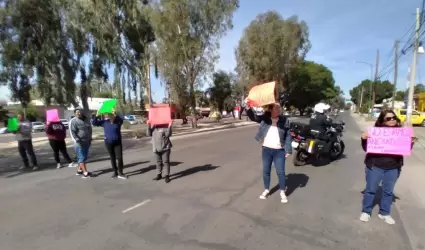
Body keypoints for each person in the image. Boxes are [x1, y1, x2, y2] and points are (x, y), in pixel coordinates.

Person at [359, 109, 415, 225]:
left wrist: (411, 138)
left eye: (394, 118)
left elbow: (407, 149)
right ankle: (366, 211)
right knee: (370, 190)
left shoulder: (401, 132)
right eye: (388, 118)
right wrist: (364, 139)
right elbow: (366, 148)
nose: (392, 120)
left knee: (388, 192)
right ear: (382, 120)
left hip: (393, 167)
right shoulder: (376, 132)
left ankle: (384, 213)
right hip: (375, 166)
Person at [246, 102, 292, 203]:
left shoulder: (284, 120)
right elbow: (253, 117)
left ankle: (282, 192)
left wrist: (288, 149)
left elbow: (288, 135)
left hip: (279, 150)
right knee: (266, 171)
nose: (278, 110)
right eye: (276, 108)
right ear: (271, 110)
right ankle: (266, 190)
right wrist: (248, 108)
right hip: (266, 150)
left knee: (281, 172)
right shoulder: (265, 118)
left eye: (279, 108)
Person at [92, 110, 128, 179]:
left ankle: (120, 172)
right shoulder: (105, 122)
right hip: (108, 143)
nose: (110, 115)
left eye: (111, 114)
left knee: (119, 158)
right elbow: (94, 123)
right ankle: (115, 172)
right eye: (109, 114)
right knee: (112, 158)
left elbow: (122, 119)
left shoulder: (118, 122)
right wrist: (96, 116)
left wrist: (116, 114)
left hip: (117, 143)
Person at [70, 107, 93, 178]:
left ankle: (79, 170)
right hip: (79, 142)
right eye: (76, 112)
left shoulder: (87, 120)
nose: (78, 113)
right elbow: (73, 132)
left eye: (79, 112)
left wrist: (90, 138)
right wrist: (77, 140)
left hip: (87, 141)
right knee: (81, 157)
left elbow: (90, 129)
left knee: (84, 157)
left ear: (82, 112)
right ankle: (85, 173)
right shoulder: (73, 121)